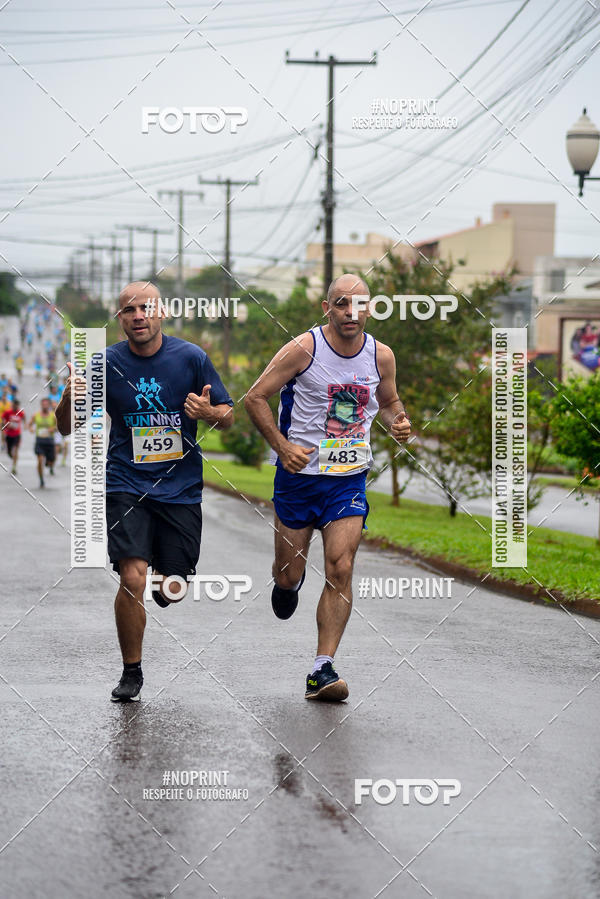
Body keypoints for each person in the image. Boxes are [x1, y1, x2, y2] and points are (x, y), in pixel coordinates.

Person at [55, 281, 234, 703]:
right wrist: (68, 400)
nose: (137, 316)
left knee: (173, 587)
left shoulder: (191, 358)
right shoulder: (104, 364)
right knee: (131, 577)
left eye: (145, 308)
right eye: (128, 311)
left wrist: (209, 413)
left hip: (181, 488)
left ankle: (165, 576)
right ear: (119, 320)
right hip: (126, 484)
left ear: (160, 313)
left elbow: (227, 415)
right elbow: (66, 427)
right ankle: (131, 671)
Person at [245, 273, 411, 702]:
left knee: (341, 565)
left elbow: (389, 403)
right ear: (327, 308)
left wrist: (399, 422)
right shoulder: (304, 349)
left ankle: (322, 668)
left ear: (370, 309)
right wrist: (282, 448)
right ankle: (286, 586)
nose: (350, 312)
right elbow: (255, 396)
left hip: (348, 480)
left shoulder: (382, 356)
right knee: (289, 573)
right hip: (299, 480)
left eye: (358, 304)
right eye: (341, 303)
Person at [29, 397, 57, 487]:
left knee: (51, 462)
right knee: (40, 460)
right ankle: (41, 480)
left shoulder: (53, 416)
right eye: (43, 404)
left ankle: (49, 463)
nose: (44, 406)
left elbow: (58, 427)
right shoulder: (36, 415)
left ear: (48, 405)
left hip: (49, 441)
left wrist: (53, 428)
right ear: (41, 405)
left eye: (46, 404)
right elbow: (29, 424)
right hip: (40, 441)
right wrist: (31, 429)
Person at [2, 395, 25, 475]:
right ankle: (11, 456)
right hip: (9, 434)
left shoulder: (20, 413)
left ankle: (14, 467)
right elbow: (3, 419)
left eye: (17, 405)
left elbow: (24, 417)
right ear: (12, 405)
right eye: (14, 405)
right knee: (9, 452)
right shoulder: (8, 412)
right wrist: (5, 425)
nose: (15, 406)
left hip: (17, 435)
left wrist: (25, 425)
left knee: (15, 450)